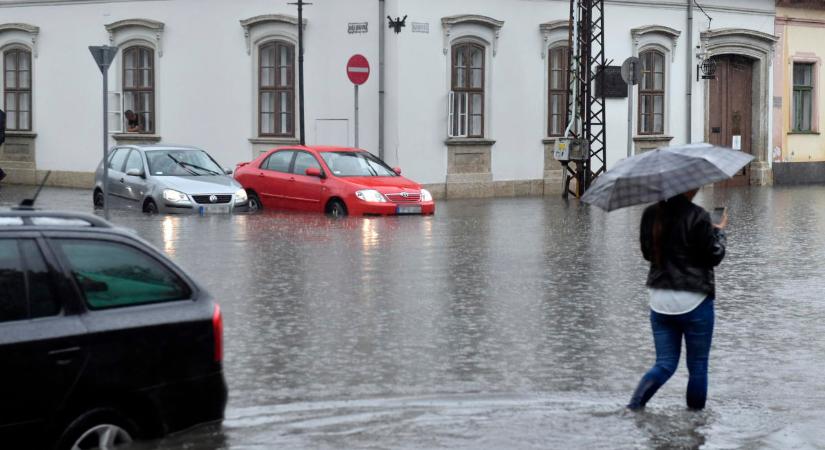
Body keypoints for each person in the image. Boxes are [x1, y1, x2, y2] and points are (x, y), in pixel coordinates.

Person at [627, 188, 727, 411]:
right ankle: (695, 425)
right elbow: (713, 256)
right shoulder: (698, 215)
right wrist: (719, 232)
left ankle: (634, 406)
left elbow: (647, 253)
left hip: (660, 301)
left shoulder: (650, 214)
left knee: (664, 364)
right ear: (687, 187)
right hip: (695, 300)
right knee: (698, 366)